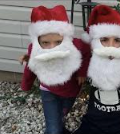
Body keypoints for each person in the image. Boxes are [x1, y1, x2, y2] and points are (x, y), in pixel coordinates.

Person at [72, 5, 120, 134]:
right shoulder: (88, 61)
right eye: (104, 40)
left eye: (117, 40)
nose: (111, 47)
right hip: (94, 125)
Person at [20, 5, 90, 134]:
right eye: (46, 43)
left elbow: (86, 53)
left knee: (61, 115)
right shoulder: (34, 49)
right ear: (38, 40)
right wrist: (26, 84)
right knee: (53, 128)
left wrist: (82, 72)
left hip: (70, 90)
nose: (53, 48)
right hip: (48, 90)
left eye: (58, 42)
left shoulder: (76, 45)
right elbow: (30, 67)